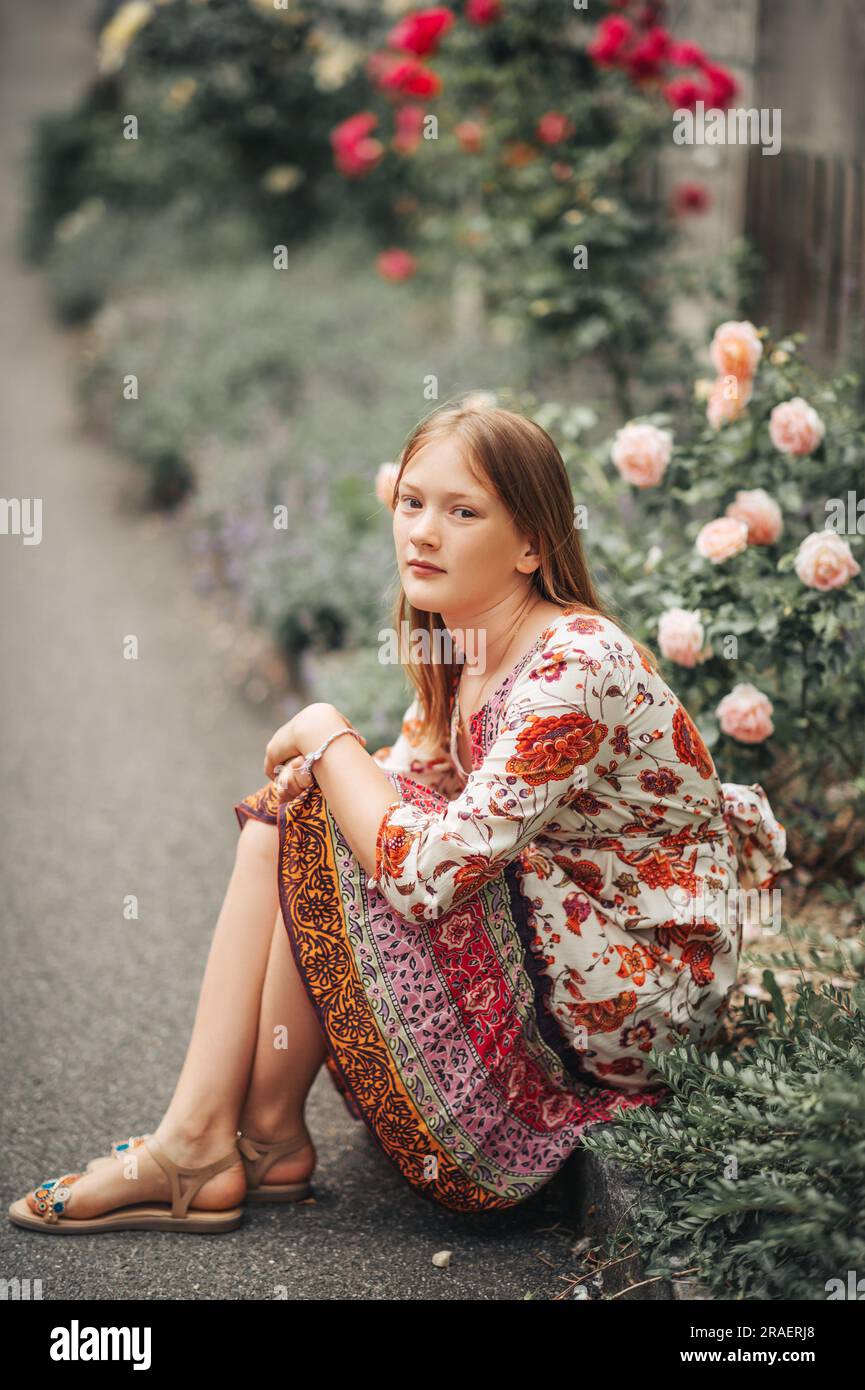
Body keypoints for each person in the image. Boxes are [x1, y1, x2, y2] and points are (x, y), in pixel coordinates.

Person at [9, 398, 792, 1232]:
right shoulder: (463, 641)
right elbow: (389, 797)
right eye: (411, 502)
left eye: (462, 512)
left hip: (636, 1001)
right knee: (307, 807)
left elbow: (424, 878)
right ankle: (253, 1137)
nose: (421, 532)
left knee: (329, 803)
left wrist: (322, 726)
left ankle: (199, 1144)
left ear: (531, 544)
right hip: (567, 939)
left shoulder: (575, 665)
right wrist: (328, 766)